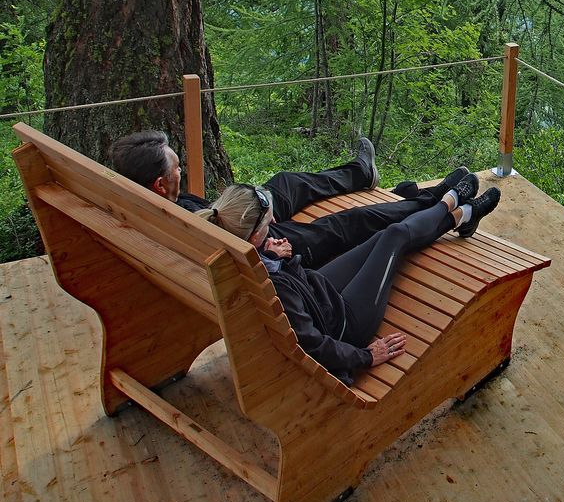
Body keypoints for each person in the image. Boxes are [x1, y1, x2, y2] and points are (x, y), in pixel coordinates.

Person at [198, 176, 502, 384]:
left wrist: (283, 260)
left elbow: (291, 291)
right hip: (345, 324)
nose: (275, 224)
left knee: (382, 235)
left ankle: (453, 208)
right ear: (253, 235)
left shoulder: (240, 253)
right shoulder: (269, 284)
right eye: (268, 223)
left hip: (319, 294)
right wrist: (367, 356)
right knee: (395, 237)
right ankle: (458, 211)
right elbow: (313, 345)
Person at [108, 130, 467, 268]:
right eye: (176, 168)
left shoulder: (145, 205)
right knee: (346, 224)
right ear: (158, 184)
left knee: (284, 183)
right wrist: (263, 244)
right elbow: (227, 259)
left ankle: (362, 173)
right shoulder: (174, 220)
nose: (181, 170)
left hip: (238, 228)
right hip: (255, 249)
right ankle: (429, 201)